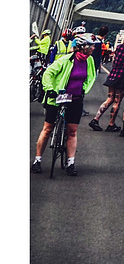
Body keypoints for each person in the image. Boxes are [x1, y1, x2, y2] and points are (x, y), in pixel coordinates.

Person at [33, 34, 99, 174]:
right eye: (91, 46)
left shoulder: (90, 61)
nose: (93, 48)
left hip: (75, 98)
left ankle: (70, 163)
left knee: (72, 131)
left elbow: (91, 75)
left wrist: (84, 89)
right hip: (58, 96)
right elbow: (48, 73)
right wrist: (50, 89)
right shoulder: (65, 60)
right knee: (48, 128)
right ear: (82, 47)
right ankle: (37, 161)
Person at [90, 29, 124, 130]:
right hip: (122, 76)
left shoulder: (119, 47)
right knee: (117, 101)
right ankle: (111, 124)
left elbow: (114, 60)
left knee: (109, 98)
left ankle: (96, 119)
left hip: (113, 74)